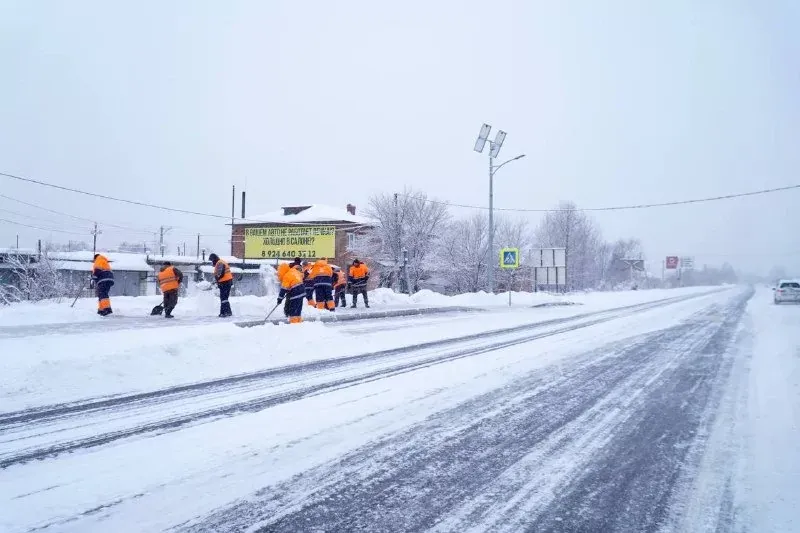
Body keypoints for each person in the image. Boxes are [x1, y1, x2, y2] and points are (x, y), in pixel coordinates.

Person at [209, 253, 233, 317]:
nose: (212, 263)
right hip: (226, 282)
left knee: (223, 298)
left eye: (212, 261)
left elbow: (220, 274)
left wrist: (217, 280)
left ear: (214, 259)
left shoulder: (219, 263)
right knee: (224, 298)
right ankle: (226, 312)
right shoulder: (221, 262)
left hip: (225, 282)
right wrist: (217, 281)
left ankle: (225, 313)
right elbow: (221, 274)